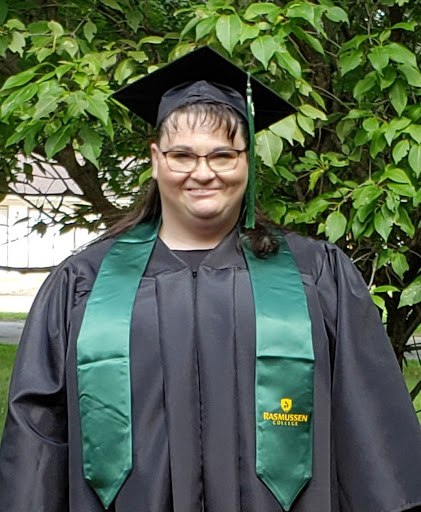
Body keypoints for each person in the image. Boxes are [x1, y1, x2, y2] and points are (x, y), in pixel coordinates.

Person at [1, 46, 421, 512]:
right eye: (182, 155)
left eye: (223, 155)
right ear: (155, 159)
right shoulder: (85, 283)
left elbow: (370, 429)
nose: (203, 173)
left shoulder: (316, 275)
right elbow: (38, 436)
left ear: (247, 161)